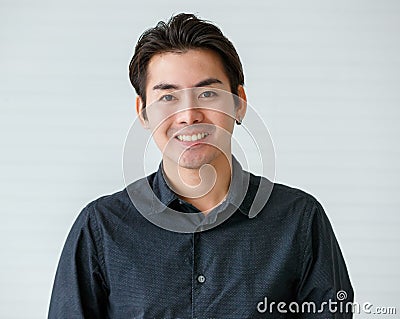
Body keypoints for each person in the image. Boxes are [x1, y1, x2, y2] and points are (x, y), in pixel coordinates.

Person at [48, 13, 354, 318]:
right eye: (168, 96)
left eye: (208, 93)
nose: (189, 115)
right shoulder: (100, 228)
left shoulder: (299, 219)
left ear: (239, 102)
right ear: (143, 112)